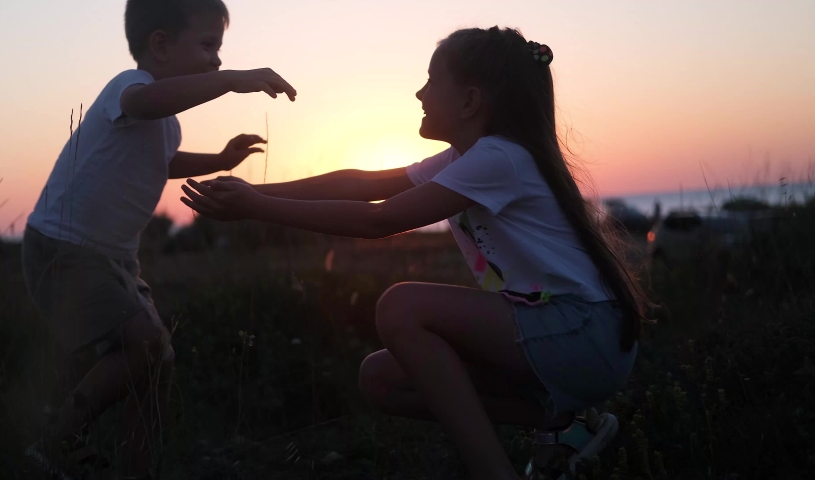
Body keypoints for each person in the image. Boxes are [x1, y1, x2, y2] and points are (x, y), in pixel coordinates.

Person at [182, 26, 649, 480]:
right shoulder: (467, 158)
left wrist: (258, 208)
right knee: (382, 379)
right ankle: (565, 423)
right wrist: (255, 193)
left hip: (583, 333)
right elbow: (360, 184)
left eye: (431, 81)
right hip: (568, 334)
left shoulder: (499, 157)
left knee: (401, 306)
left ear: (469, 101)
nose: (420, 94)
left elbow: (378, 220)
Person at [21, 0, 296, 477]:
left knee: (157, 358)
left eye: (219, 50)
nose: (217, 60)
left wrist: (220, 160)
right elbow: (143, 104)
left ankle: (138, 465)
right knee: (143, 344)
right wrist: (234, 81)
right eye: (208, 45)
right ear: (161, 45)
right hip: (64, 248)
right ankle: (55, 442)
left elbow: (163, 162)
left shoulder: (167, 122)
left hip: (113, 260)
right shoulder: (129, 87)